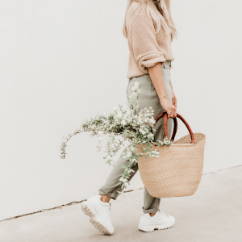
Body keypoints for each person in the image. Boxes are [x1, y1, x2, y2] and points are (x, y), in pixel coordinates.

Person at [81, 0, 178, 235]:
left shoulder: (155, 7)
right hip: (148, 87)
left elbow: (161, 62)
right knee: (145, 148)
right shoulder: (140, 10)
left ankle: (150, 213)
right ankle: (104, 199)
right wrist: (164, 97)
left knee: (154, 149)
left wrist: (170, 92)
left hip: (155, 83)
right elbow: (150, 58)